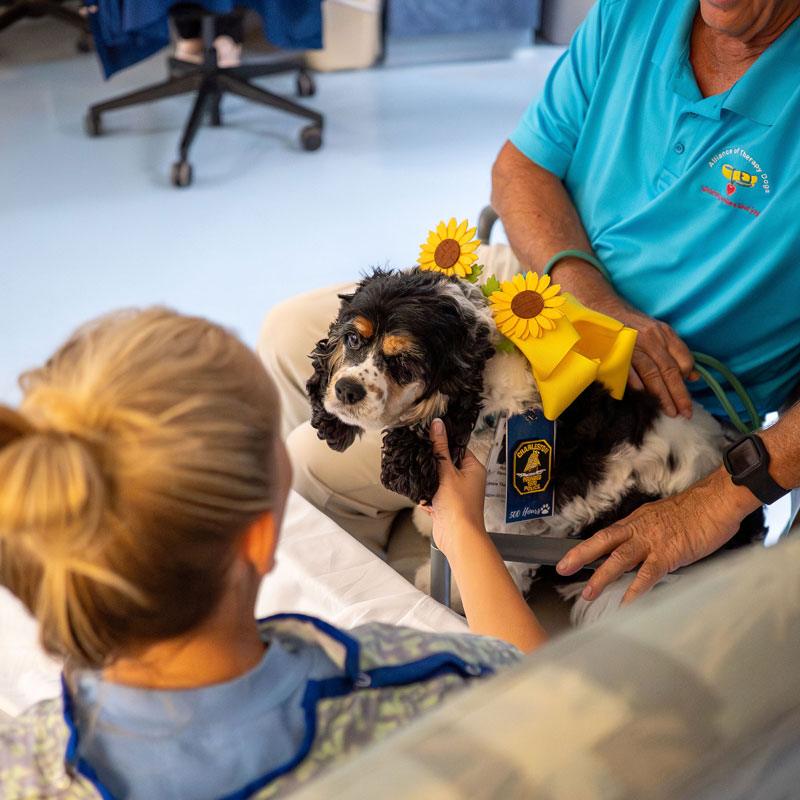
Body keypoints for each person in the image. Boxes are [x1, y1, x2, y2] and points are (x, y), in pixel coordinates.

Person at [260, 0, 800, 594]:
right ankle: (391, 528)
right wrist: (593, 299)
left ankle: (401, 597)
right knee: (288, 336)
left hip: (665, 398)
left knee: (312, 468)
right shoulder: (636, 12)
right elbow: (521, 170)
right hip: (545, 287)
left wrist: (721, 497)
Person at [0, 308, 544, 800]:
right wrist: (463, 531)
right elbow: (551, 697)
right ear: (260, 539)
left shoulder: (23, 767)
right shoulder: (421, 685)